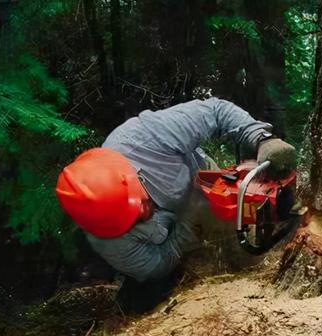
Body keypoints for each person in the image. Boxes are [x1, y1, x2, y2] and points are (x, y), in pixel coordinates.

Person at [55, 97, 296, 285]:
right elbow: (155, 266)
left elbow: (215, 111)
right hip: (179, 238)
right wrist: (189, 224)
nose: (140, 212)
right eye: (128, 218)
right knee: (148, 294)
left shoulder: (143, 138)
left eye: (134, 203)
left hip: (208, 184)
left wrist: (261, 138)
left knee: (254, 208)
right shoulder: (107, 241)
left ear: (127, 175)